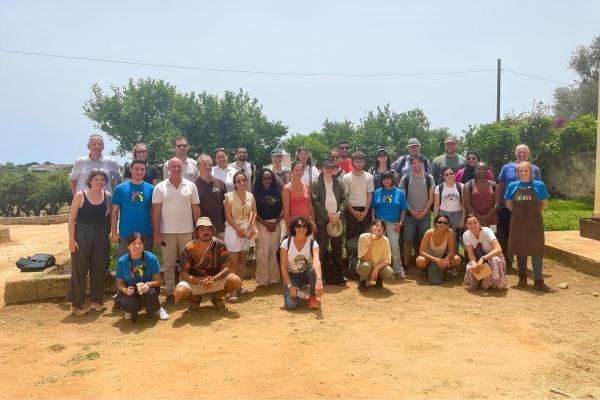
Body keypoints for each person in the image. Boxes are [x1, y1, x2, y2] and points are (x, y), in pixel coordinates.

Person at [152, 158, 201, 303]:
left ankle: (187, 289)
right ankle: (170, 292)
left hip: (187, 231)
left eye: (179, 166)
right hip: (167, 232)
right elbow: (155, 213)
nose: (176, 169)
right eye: (173, 166)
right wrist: (157, 232)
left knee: (187, 263)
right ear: (168, 168)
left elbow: (196, 209)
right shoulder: (159, 187)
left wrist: (198, 229)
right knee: (168, 264)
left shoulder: (191, 186)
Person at [67, 169, 112, 316]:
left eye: (102, 180)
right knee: (80, 270)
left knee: (99, 269)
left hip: (101, 235)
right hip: (82, 235)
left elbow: (109, 216)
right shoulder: (80, 195)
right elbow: (71, 219)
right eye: (96, 179)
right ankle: (77, 305)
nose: (99, 182)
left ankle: (96, 302)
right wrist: (72, 240)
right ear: (90, 181)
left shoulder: (107, 196)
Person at [505, 161, 554, 293]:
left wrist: (533, 214)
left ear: (531, 172)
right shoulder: (512, 185)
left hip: (534, 222)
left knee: (536, 250)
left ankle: (538, 281)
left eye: (526, 171)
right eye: (520, 171)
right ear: (517, 173)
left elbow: (544, 203)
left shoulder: (539, 185)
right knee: (520, 249)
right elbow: (508, 202)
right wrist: (517, 214)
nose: (523, 173)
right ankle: (522, 279)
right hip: (518, 222)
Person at [174, 217, 243, 311]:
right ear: (197, 232)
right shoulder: (188, 248)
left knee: (236, 281)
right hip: (196, 282)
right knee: (178, 293)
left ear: (212, 231)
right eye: (202, 229)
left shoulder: (219, 244)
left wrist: (213, 279)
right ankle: (195, 298)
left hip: (215, 280)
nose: (205, 232)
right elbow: (184, 273)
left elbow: (227, 268)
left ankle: (217, 296)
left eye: (208, 229)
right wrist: (199, 281)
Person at [497, 144, 542, 267]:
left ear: (528, 154)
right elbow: (500, 187)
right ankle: (506, 260)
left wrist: (537, 209)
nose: (521, 154)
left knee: (523, 234)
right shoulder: (507, 167)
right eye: (519, 152)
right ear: (515, 153)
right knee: (505, 233)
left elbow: (538, 189)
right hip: (506, 207)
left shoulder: (535, 169)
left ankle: (522, 261)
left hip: (527, 210)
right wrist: (497, 204)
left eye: (524, 152)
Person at [115, 232, 169, 323]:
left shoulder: (151, 258)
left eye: (139, 243)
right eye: (133, 243)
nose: (137, 246)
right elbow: (120, 282)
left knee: (151, 293)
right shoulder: (122, 261)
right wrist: (125, 290)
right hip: (131, 290)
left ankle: (157, 309)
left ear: (143, 245)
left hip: (148, 289)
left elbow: (158, 281)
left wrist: (148, 284)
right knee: (128, 303)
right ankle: (130, 310)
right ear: (128, 246)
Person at [311, 158, 347, 285]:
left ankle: (338, 275)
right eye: (326, 167)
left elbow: (344, 199)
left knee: (338, 249)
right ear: (321, 168)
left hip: (337, 220)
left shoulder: (339, 182)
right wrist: (328, 216)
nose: (329, 169)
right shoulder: (316, 183)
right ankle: (320, 276)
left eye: (331, 167)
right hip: (323, 221)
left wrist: (339, 213)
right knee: (321, 249)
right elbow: (315, 201)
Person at [223, 171, 257, 302]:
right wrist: (238, 230)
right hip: (233, 231)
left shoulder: (251, 196)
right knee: (233, 263)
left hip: (247, 232)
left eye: (243, 180)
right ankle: (232, 292)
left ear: (247, 182)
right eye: (238, 181)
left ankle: (238, 286)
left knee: (243, 261)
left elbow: (253, 213)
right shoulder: (228, 196)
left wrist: (249, 229)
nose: (241, 183)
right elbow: (228, 215)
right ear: (235, 184)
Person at [111, 159, 154, 257]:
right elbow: (114, 211)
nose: (139, 172)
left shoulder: (151, 189)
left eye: (142, 169)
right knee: (125, 266)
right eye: (136, 169)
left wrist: (155, 232)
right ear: (131, 169)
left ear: (145, 171)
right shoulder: (120, 189)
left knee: (145, 267)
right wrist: (114, 232)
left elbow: (154, 212)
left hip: (145, 235)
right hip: (126, 234)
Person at [399, 155, 434, 269]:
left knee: (424, 241)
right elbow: (403, 198)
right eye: (414, 163)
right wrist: (412, 211)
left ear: (423, 164)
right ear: (411, 164)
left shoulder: (429, 178)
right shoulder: (405, 178)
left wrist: (424, 212)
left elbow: (431, 197)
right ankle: (406, 264)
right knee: (407, 240)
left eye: (419, 163)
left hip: (425, 215)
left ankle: (424, 265)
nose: (416, 165)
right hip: (409, 216)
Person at [280, 216, 323, 310]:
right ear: (294, 228)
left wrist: (319, 279)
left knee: (314, 271)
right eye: (298, 226)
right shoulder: (286, 243)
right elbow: (283, 268)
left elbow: (316, 261)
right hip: (292, 275)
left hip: (307, 273)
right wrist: (290, 286)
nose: (301, 228)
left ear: (308, 229)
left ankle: (312, 297)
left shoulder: (313, 243)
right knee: (291, 305)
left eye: (304, 226)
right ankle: (300, 293)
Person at [371, 171, 408, 278]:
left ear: (392, 179)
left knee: (394, 246)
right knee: (378, 246)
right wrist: (373, 223)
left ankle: (398, 270)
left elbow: (403, 209)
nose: (386, 181)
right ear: (381, 181)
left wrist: (400, 223)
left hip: (394, 223)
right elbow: (373, 208)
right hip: (379, 223)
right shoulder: (378, 192)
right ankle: (377, 269)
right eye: (384, 179)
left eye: (389, 178)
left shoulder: (399, 192)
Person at [253, 168, 283, 287]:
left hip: (276, 224)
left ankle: (274, 279)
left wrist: (276, 223)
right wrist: (266, 224)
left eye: (269, 178)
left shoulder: (278, 191)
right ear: (261, 179)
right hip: (262, 224)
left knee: (274, 251)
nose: (267, 180)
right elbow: (254, 211)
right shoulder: (255, 192)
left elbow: (283, 209)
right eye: (264, 178)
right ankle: (262, 280)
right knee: (262, 252)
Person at [462, 215, 506, 291]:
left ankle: (494, 284)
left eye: (475, 222)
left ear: (479, 222)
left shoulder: (487, 231)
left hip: (494, 257)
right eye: (469, 223)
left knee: (494, 260)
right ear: (466, 225)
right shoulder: (466, 235)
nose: (473, 225)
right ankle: (479, 281)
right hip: (480, 259)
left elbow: (499, 249)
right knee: (470, 266)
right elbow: (471, 255)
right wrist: (475, 265)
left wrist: (483, 258)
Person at [416, 214, 462, 284]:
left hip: (441, 257)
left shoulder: (450, 232)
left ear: (448, 224)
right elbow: (421, 251)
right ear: (435, 223)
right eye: (439, 222)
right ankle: (425, 269)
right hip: (428, 258)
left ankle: (446, 270)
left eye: (445, 223)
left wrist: (446, 258)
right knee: (420, 261)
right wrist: (437, 260)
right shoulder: (429, 233)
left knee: (457, 259)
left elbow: (451, 251)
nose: (442, 224)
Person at [342, 151, 374, 245]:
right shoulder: (346, 177)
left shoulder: (369, 177)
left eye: (361, 161)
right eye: (356, 161)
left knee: (366, 238)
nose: (359, 163)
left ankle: (364, 259)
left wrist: (365, 212)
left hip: (365, 210)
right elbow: (345, 197)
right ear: (352, 162)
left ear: (364, 162)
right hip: (351, 210)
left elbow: (369, 195)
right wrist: (353, 212)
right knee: (350, 236)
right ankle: (349, 258)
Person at [356, 219, 395, 292]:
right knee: (366, 265)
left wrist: (377, 268)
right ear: (371, 227)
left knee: (389, 271)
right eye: (377, 225)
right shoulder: (363, 237)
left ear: (383, 231)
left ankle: (378, 278)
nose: (379, 228)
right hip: (366, 263)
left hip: (378, 266)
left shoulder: (385, 240)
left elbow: (388, 261)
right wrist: (372, 242)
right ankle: (362, 280)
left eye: (382, 227)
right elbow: (364, 258)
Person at [195, 154, 226, 240]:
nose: (208, 167)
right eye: (204, 165)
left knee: (222, 253)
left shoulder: (220, 183)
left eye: (210, 165)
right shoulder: (193, 186)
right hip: (203, 230)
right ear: (198, 167)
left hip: (220, 228)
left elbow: (225, 205)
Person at [283, 160, 317, 234]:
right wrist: (288, 228)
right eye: (296, 170)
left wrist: (313, 222)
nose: (299, 172)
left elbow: (310, 206)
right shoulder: (287, 188)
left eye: (301, 170)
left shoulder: (307, 186)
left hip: (307, 223)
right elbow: (286, 211)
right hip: (294, 224)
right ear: (292, 171)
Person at [463, 161, 499, 227]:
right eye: (479, 169)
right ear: (475, 169)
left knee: (492, 236)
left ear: (487, 171)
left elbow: (497, 203)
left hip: (492, 219)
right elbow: (467, 205)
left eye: (484, 169)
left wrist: (487, 216)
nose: (481, 171)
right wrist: (479, 217)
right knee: (475, 236)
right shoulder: (468, 185)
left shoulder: (493, 184)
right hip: (474, 220)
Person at [433, 167, 465, 234]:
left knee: (455, 237)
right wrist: (436, 220)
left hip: (457, 215)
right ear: (443, 176)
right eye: (446, 175)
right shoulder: (439, 188)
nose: (449, 176)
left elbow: (464, 206)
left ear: (454, 174)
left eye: (451, 173)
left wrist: (462, 220)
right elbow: (436, 206)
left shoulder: (461, 186)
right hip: (443, 214)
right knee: (443, 235)